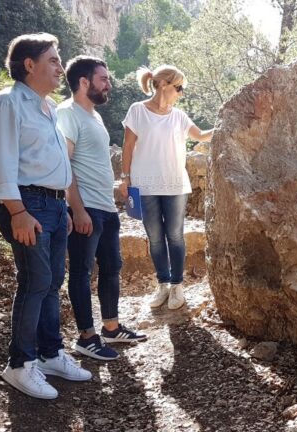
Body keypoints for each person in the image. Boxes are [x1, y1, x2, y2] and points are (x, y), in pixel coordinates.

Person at [0, 33, 92, 400]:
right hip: (28, 206)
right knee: (35, 281)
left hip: (54, 206)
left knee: (51, 281)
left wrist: (70, 207)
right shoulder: (7, 103)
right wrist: (18, 212)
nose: (61, 67)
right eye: (54, 60)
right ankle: (19, 364)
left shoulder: (47, 108)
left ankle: (49, 354)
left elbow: (57, 163)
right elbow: (0, 163)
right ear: (29, 65)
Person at [57, 56, 147, 362]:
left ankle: (110, 327)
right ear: (84, 82)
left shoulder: (93, 115)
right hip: (86, 209)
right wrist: (77, 209)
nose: (109, 84)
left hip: (105, 208)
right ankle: (86, 337)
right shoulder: (67, 114)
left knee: (112, 267)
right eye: (103, 79)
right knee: (81, 272)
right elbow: (64, 164)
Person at [119, 65, 213, 309]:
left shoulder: (179, 116)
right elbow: (128, 146)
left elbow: (201, 136)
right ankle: (163, 284)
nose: (181, 93)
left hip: (175, 185)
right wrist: (125, 178)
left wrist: (225, 125)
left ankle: (178, 286)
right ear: (163, 84)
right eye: (178, 87)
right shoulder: (137, 111)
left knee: (175, 235)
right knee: (155, 238)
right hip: (145, 185)